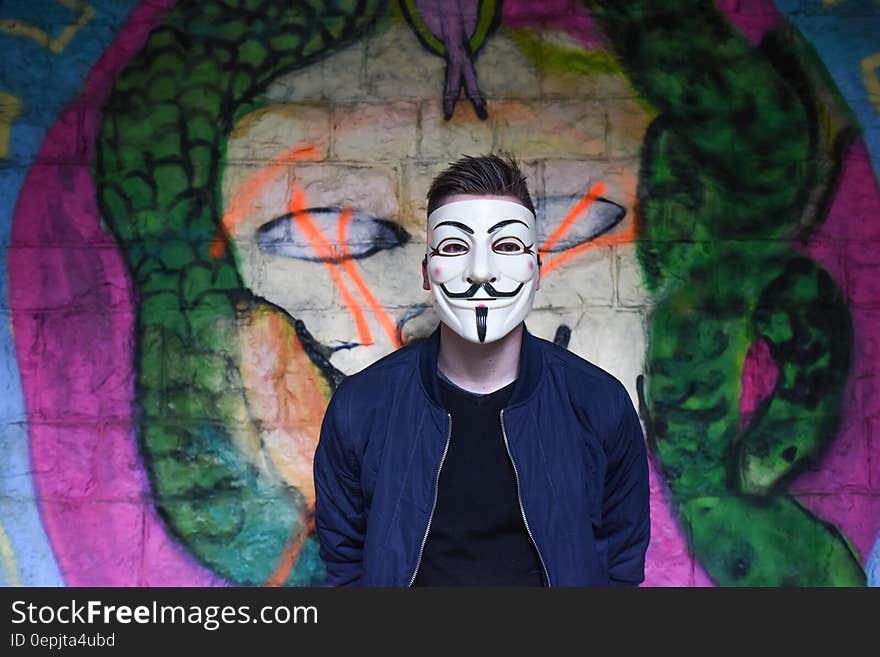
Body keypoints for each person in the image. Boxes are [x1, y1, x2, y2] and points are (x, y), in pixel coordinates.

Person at [313, 154, 650, 586]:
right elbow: (344, 562)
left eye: (507, 246)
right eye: (454, 248)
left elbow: (622, 560)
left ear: (537, 269)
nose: (480, 272)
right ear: (426, 273)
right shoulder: (360, 408)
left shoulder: (598, 402)